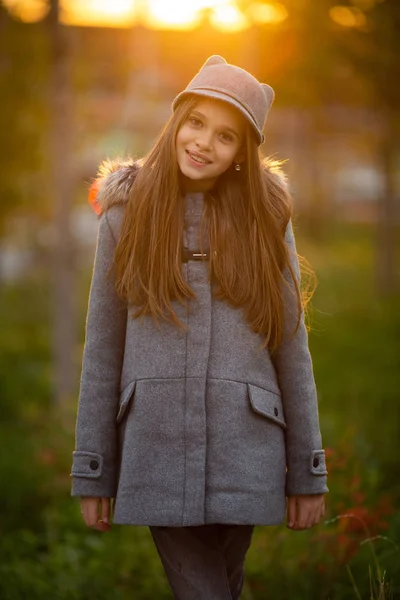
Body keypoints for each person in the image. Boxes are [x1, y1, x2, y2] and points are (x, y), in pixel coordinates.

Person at [71, 55, 328, 600]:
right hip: (157, 447)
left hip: (248, 447)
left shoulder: (266, 220)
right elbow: (103, 350)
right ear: (176, 122)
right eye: (196, 123)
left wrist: (308, 473)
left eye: (226, 136)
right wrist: (93, 470)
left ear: (242, 153)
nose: (204, 143)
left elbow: (291, 347)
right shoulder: (125, 215)